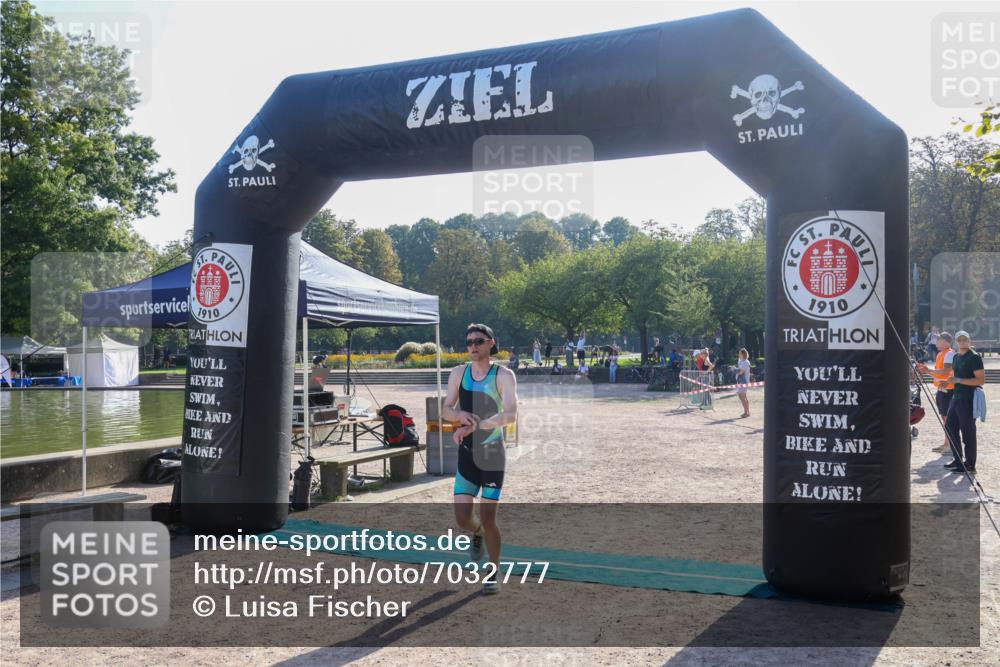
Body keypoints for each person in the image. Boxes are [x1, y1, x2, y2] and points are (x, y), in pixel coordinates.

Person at [442, 323, 518, 595]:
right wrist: (458, 416)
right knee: (463, 519)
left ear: (491, 343)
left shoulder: (503, 375)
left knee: (488, 517)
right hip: (467, 454)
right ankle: (478, 533)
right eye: (469, 342)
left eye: (478, 341)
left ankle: (494, 572)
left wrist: (477, 426)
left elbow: (510, 414)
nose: (473, 346)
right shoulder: (458, 373)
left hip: (492, 456)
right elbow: (446, 409)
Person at [943, 331, 984, 474]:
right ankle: (958, 460)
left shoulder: (974, 357)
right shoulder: (956, 357)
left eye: (964, 339)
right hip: (956, 398)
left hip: (968, 399)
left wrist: (958, 380)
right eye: (959, 339)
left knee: (968, 432)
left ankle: (970, 465)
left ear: (969, 340)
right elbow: (956, 377)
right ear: (956, 342)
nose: (962, 341)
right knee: (949, 427)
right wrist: (947, 382)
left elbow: (980, 380)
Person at [917, 332, 954, 453]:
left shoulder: (949, 353)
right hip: (941, 389)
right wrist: (927, 371)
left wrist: (929, 370)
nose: (935, 342)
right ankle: (947, 444)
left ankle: (950, 445)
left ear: (945, 341)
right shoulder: (940, 354)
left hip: (948, 390)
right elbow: (939, 372)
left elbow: (945, 371)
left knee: (948, 419)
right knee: (944, 418)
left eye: (937, 340)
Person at [736, 348, 751, 418]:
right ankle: (747, 412)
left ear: (743, 354)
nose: (738, 354)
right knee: (741, 396)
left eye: (739, 353)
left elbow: (741, 372)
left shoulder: (745, 362)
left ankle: (746, 412)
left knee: (743, 396)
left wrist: (734, 370)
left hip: (744, 381)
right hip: (740, 381)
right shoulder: (741, 361)